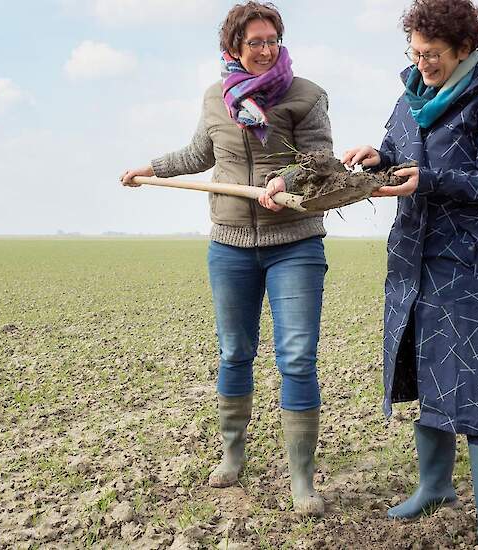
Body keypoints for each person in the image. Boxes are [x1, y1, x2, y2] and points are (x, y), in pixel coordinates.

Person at [121, 1, 333, 517]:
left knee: (298, 357)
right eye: (255, 42)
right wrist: (151, 168)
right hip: (232, 245)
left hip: (295, 243)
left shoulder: (306, 95)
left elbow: (322, 159)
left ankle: (301, 480)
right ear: (233, 49)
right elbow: (200, 154)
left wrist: (287, 181)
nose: (265, 50)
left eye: (272, 40)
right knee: (235, 352)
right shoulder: (217, 98)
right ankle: (232, 455)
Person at [342, 0, 478, 547]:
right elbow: (400, 154)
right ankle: (434, 487)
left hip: (467, 263)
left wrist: (428, 179)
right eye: (416, 53)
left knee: (476, 382)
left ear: (465, 49)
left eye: (433, 56)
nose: (422, 64)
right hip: (412, 259)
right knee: (425, 371)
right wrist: (377, 158)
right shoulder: (409, 97)